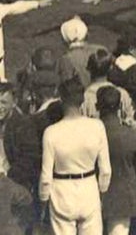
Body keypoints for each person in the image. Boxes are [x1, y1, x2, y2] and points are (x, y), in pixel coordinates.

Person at [39, 77, 111, 235]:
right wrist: (102, 192)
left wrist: (43, 201)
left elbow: (46, 176)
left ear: (61, 99)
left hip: (61, 192)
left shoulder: (51, 132)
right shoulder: (97, 127)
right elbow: (105, 170)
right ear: (83, 99)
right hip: (89, 188)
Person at [97, 85, 136, 235]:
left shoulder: (92, 133)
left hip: (94, 195)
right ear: (120, 106)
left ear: (97, 106)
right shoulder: (130, 134)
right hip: (123, 196)